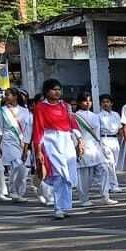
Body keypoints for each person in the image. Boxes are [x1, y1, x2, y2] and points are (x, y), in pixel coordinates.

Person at [31, 79, 84, 221]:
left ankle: (66, 206)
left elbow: (73, 124)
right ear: (47, 91)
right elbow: (38, 130)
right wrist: (38, 151)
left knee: (69, 175)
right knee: (59, 175)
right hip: (51, 141)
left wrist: (80, 141)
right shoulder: (40, 107)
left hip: (66, 140)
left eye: (59, 89)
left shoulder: (66, 106)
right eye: (54, 89)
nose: (57, 92)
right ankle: (58, 207)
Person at [71, 92, 114, 206]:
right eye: (85, 100)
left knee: (104, 169)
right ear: (80, 102)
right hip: (83, 147)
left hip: (95, 147)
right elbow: (74, 133)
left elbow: (97, 133)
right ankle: (84, 199)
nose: (88, 103)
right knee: (84, 176)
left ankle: (105, 196)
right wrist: (77, 146)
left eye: (89, 100)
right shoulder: (75, 116)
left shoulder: (95, 116)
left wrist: (101, 146)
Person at [0, 90, 32, 202]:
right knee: (16, 165)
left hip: (22, 141)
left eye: (8, 95)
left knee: (23, 169)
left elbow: (28, 129)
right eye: (5, 95)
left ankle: (19, 193)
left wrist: (26, 146)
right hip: (8, 141)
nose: (6, 97)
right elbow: (0, 129)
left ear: (15, 96)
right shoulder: (2, 111)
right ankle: (12, 191)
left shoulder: (25, 111)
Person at [96, 94, 124, 199]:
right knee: (109, 163)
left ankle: (108, 184)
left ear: (111, 103)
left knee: (115, 163)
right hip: (104, 139)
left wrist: (122, 139)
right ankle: (113, 185)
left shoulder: (116, 115)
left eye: (107, 102)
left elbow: (120, 128)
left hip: (115, 139)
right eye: (103, 102)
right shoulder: (98, 116)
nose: (105, 104)